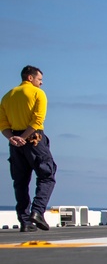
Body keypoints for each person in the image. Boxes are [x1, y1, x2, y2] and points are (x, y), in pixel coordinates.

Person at [1, 66, 57, 232]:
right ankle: (37, 211)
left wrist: (12, 138)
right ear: (30, 78)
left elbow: (2, 124)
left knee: (20, 182)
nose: (41, 83)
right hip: (34, 139)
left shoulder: (7, 96)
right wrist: (24, 137)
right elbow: (38, 120)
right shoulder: (37, 93)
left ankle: (25, 221)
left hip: (14, 143)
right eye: (39, 79)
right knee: (47, 175)